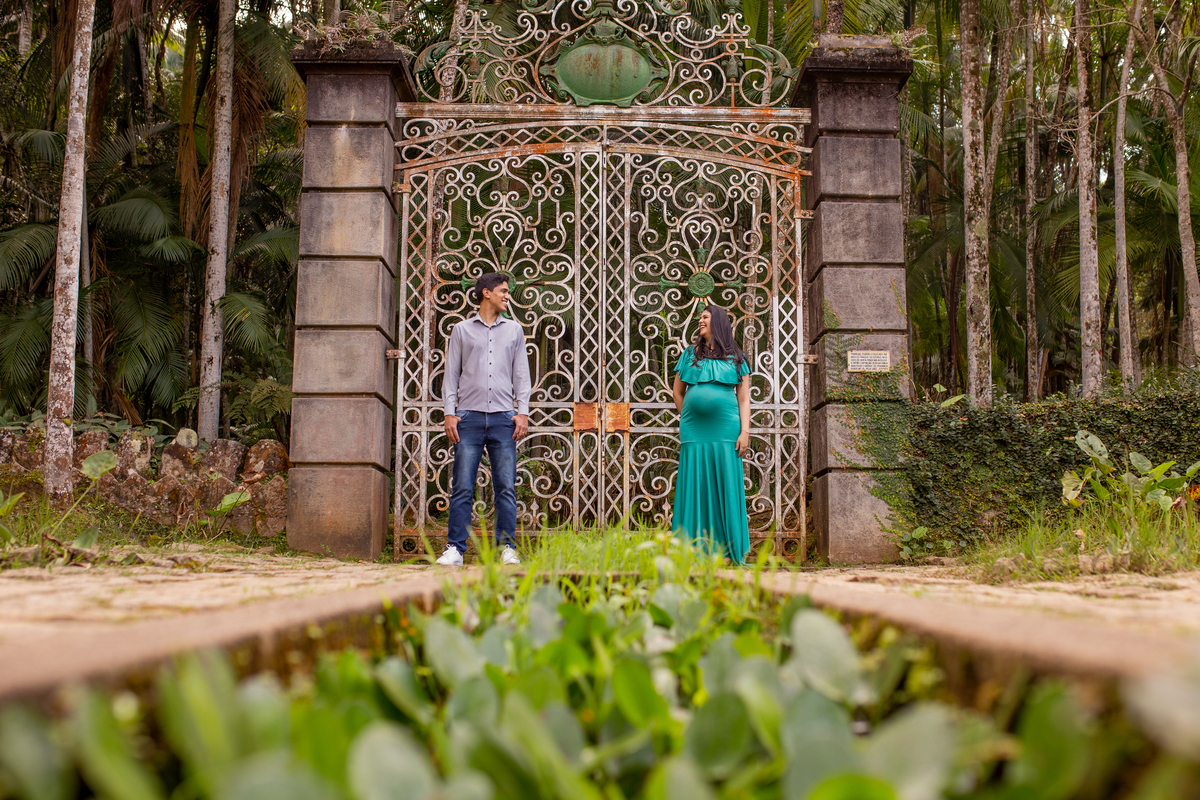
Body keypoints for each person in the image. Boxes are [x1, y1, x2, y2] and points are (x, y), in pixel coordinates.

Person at [437, 273, 531, 566]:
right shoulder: (462, 330)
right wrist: (450, 412)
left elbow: (521, 375)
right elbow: (451, 374)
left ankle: (507, 549)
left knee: (505, 486)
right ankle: (455, 549)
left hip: (504, 418)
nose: (507, 296)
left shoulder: (515, 330)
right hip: (469, 417)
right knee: (463, 484)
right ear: (486, 293)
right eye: (503, 291)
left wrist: (523, 411)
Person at [671, 304, 752, 563]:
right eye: (700, 317)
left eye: (704, 317)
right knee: (695, 484)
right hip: (694, 429)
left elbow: (743, 399)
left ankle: (727, 551)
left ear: (717, 321)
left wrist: (745, 431)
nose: (700, 321)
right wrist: (689, 416)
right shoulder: (689, 355)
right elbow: (677, 392)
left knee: (725, 484)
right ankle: (693, 551)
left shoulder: (737, 357)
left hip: (726, 429)